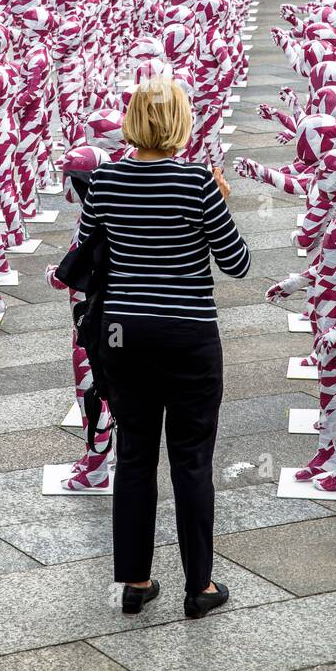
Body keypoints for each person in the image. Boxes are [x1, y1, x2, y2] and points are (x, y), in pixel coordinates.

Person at [76, 79, 249, 617]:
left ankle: (134, 580)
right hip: (187, 331)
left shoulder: (103, 179)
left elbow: (87, 250)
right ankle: (199, 586)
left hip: (123, 334)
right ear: (179, 124)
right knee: (191, 460)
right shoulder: (197, 182)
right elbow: (236, 262)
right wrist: (219, 200)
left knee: (134, 455)